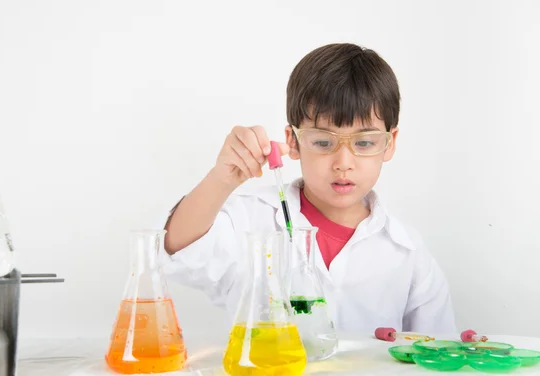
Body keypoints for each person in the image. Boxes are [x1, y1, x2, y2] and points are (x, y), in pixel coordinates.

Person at [161, 43, 456, 333]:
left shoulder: (407, 252)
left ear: (389, 143)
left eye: (364, 142)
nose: (343, 162)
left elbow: (434, 351)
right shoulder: (252, 220)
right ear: (293, 141)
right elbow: (179, 250)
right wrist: (221, 179)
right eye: (323, 142)